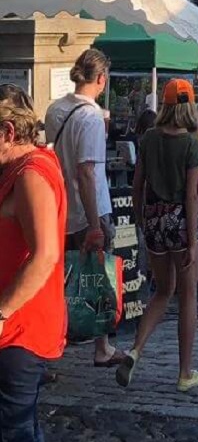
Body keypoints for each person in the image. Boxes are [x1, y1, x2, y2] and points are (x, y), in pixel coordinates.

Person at [0, 86, 65, 442]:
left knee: (14, 435)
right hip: (17, 327)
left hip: (20, 328)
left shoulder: (32, 174)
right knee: (17, 431)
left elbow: (44, 256)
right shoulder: (19, 170)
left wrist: (1, 311)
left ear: (7, 132)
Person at [117, 79, 198, 393]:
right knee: (188, 296)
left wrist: (141, 219)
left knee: (161, 291)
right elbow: (192, 196)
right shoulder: (191, 144)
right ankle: (185, 372)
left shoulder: (149, 138)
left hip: (154, 219)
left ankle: (135, 349)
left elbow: (137, 183)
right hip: (180, 221)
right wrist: (192, 242)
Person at [43, 49, 125, 369]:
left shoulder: (55, 109)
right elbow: (87, 172)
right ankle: (102, 346)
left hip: (61, 206)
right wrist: (94, 224)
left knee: (63, 281)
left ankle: (54, 344)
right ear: (101, 79)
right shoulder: (90, 117)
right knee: (98, 278)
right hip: (89, 207)